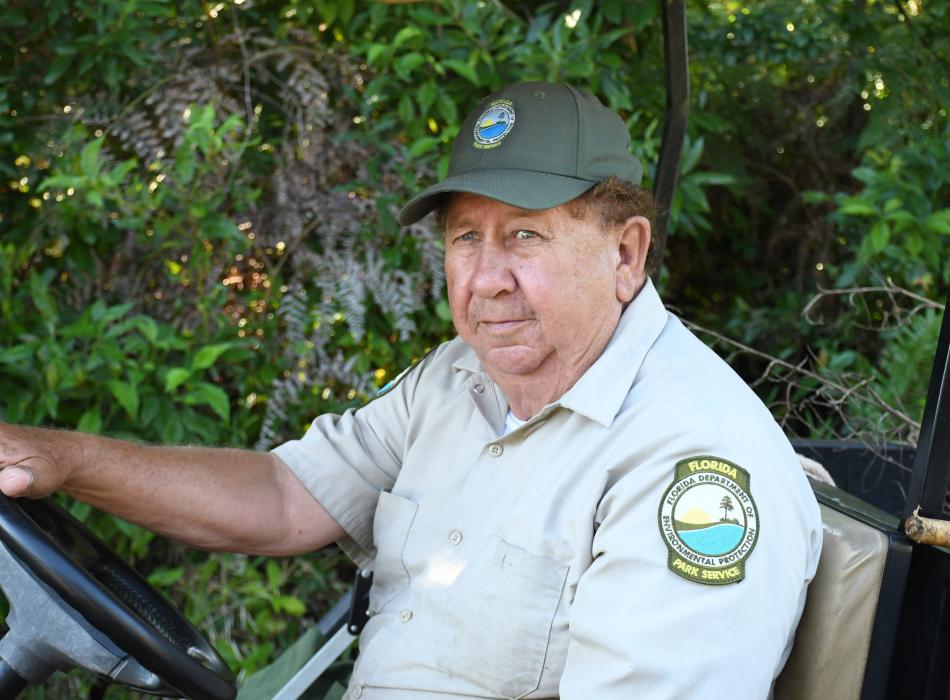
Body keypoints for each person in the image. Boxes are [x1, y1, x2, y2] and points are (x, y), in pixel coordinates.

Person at [0, 81, 822, 698]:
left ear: (626, 255)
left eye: (525, 235)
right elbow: (290, 496)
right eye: (467, 237)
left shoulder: (693, 466)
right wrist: (65, 460)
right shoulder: (461, 376)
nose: (487, 279)